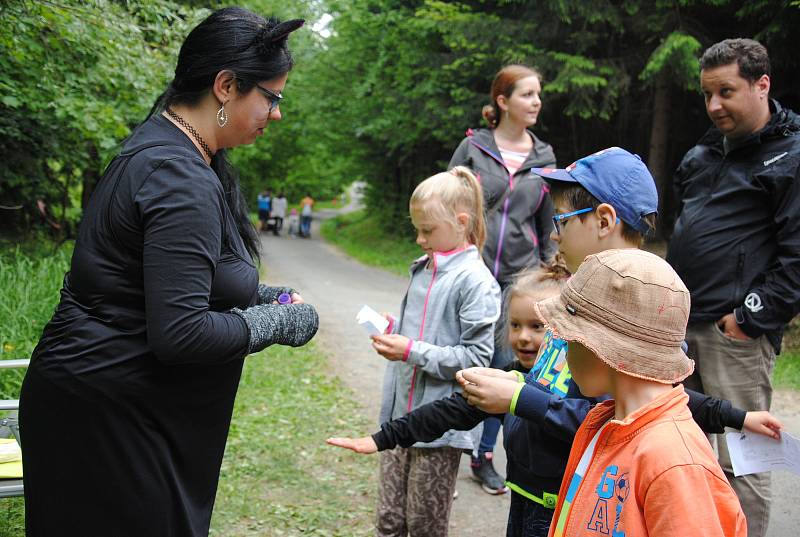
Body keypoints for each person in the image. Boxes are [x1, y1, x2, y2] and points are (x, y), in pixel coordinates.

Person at [18, 9, 319, 536]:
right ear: (226, 86)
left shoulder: (173, 151)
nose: (276, 115)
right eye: (271, 98)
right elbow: (181, 334)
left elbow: (166, 279)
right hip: (107, 423)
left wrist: (263, 296)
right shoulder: (178, 175)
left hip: (109, 408)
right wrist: (277, 323)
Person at [453, 147, 782, 534]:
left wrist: (520, 398)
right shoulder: (582, 304)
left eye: (560, 220)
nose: (554, 234)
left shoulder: (646, 307)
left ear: (605, 220)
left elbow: (655, 404)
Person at [328, 262, 780, 537]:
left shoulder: (663, 450)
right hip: (533, 505)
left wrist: (739, 418)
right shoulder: (575, 394)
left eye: (559, 333)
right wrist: (384, 437)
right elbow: (454, 408)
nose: (540, 340)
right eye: (521, 326)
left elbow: (688, 404)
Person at [665, 38, 800, 537]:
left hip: (733, 335)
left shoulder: (792, 154)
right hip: (680, 328)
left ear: (762, 85)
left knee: (744, 461)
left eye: (726, 91)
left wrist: (748, 320)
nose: (714, 105)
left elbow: (797, 257)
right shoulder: (704, 151)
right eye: (707, 94)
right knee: (686, 452)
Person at [536, 249, 747, 536]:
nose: (563, 348)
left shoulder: (674, 461)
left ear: (598, 348)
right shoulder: (605, 425)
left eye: (567, 338)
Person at [355, 166, 501, 537]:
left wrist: (411, 350)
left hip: (438, 431)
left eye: (428, 230)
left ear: (461, 221)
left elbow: (476, 360)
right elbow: (422, 336)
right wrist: (395, 333)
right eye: (416, 229)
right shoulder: (423, 269)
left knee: (424, 526)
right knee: (389, 521)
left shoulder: (476, 282)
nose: (419, 239)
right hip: (398, 421)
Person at [449, 64, 557, 494]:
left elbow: (550, 225)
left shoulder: (545, 158)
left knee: (503, 368)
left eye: (538, 95)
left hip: (519, 279)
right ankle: (443, 447)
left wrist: (552, 275)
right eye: (527, 94)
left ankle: (484, 455)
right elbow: (445, 202)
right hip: (471, 274)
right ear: (502, 100)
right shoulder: (473, 148)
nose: (536, 102)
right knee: (457, 361)